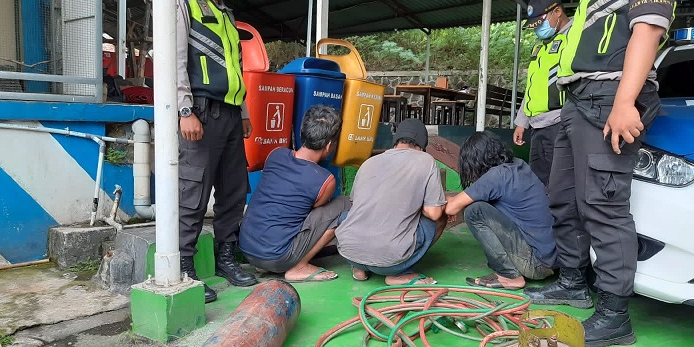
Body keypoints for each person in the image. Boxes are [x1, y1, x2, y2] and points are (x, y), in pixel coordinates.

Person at [524, 0, 682, 347]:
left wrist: (626, 101)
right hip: (580, 100)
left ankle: (614, 314)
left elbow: (648, 28)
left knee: (604, 205)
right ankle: (573, 282)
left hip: (610, 96)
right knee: (564, 198)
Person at [176, 0, 263, 303]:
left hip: (229, 114)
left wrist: (243, 112)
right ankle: (184, 268)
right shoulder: (183, 3)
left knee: (233, 191)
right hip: (201, 112)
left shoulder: (226, 12)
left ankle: (226, 257)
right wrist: (185, 111)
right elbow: (174, 62)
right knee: (193, 194)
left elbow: (235, 67)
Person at [238, 105, 351, 282]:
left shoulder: (276, 154)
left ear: (302, 133)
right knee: (344, 204)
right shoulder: (325, 180)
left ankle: (269, 262)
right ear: (329, 145)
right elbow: (315, 209)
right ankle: (300, 266)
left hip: (247, 249)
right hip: (278, 257)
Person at [336, 119, 447, 285]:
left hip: (349, 252)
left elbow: (356, 203)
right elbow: (434, 213)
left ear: (396, 141)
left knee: (346, 216)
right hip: (391, 261)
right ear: (422, 145)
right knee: (439, 219)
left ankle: (359, 268)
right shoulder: (426, 160)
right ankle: (400, 273)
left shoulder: (369, 162)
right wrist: (419, 206)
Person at [445, 131, 556, 290]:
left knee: (474, 211)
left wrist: (443, 200)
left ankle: (509, 275)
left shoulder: (495, 176)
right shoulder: (518, 165)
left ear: (476, 161)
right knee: (479, 204)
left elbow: (451, 207)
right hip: (553, 260)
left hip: (536, 264)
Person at [513, 0, 573, 187]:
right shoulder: (540, 48)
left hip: (559, 123)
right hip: (537, 126)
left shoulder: (575, 37)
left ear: (557, 12)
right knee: (538, 182)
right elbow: (532, 88)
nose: (538, 29)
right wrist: (522, 122)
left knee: (559, 183)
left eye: (540, 23)